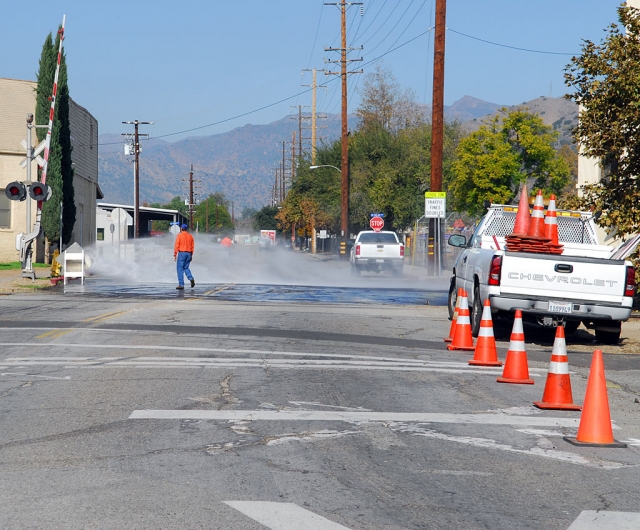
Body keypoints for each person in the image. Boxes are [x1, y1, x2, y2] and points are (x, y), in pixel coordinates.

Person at [174, 224, 195, 289]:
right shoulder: (190, 236)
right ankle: (191, 278)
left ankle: (181, 284)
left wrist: (175, 254)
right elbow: (192, 246)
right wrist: (191, 255)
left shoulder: (179, 236)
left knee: (180, 269)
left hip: (182, 253)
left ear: (181, 229)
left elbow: (177, 245)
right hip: (188, 253)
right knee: (186, 267)